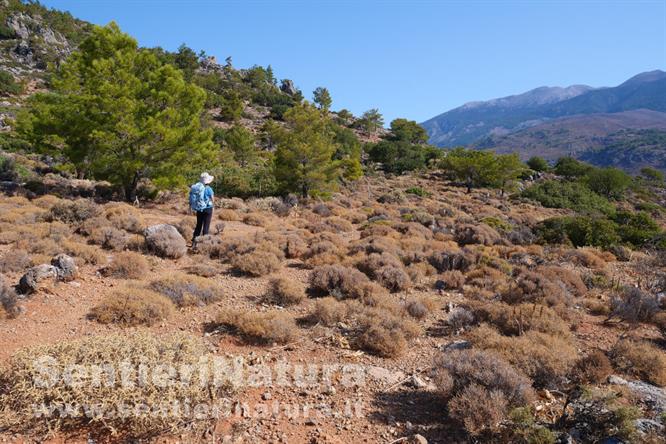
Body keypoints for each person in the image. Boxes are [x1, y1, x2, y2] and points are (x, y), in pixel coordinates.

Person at [189, 172, 215, 244]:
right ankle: (204, 243)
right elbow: (212, 199)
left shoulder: (197, 188)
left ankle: (194, 241)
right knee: (206, 227)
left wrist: (190, 208)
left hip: (199, 208)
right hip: (207, 209)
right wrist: (213, 206)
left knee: (198, 225)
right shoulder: (209, 189)